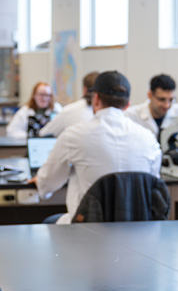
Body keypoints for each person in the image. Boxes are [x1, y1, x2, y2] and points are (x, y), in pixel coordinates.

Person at [32, 71, 162, 224]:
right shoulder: (148, 138)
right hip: (137, 232)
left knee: (50, 223)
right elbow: (154, 184)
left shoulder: (74, 136)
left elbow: (48, 183)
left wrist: (39, 181)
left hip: (89, 232)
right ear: (128, 104)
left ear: (95, 99)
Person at [125, 73, 178, 142]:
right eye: (161, 99)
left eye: (171, 100)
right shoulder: (131, 115)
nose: (166, 105)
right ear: (150, 95)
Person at [40, 71, 98, 136]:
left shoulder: (69, 110)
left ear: (84, 90)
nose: (44, 98)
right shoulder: (109, 115)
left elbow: (44, 133)